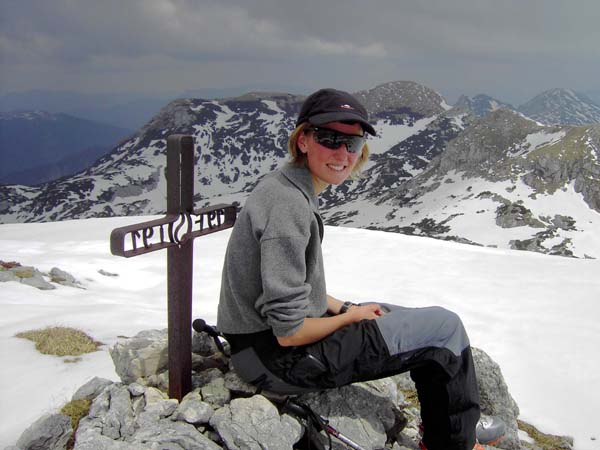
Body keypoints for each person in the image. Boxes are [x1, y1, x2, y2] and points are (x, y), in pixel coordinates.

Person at [217, 88, 503, 450]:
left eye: (351, 143)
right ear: (303, 139)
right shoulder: (288, 207)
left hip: (261, 347)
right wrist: (347, 320)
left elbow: (291, 289)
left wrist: (343, 308)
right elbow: (288, 332)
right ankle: (455, 443)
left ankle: (452, 430)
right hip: (277, 360)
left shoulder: (285, 186)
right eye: (329, 138)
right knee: (445, 327)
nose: (342, 153)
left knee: (409, 322)